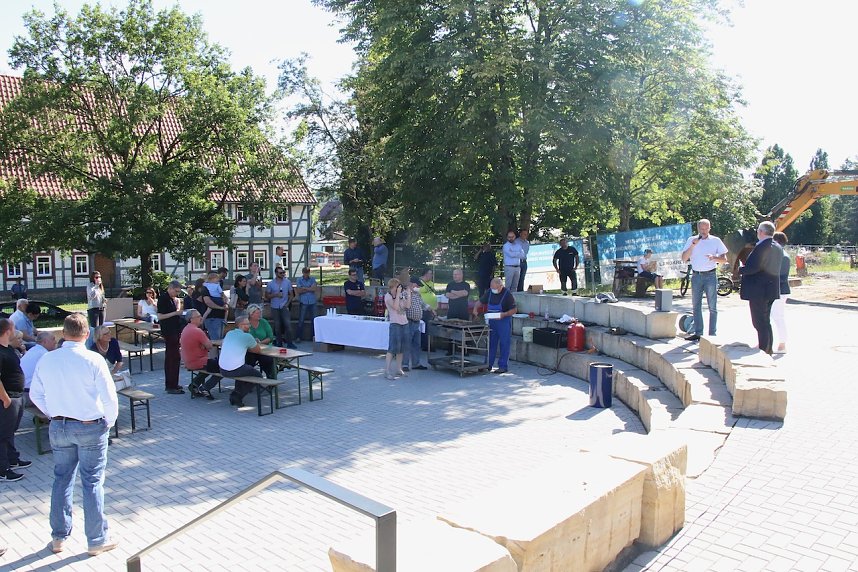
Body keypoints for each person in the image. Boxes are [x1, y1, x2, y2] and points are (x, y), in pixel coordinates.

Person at [29, 313, 119, 556]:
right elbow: (109, 397)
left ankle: (58, 537)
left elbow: (36, 394)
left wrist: (53, 413)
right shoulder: (93, 359)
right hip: (90, 425)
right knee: (92, 482)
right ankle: (96, 539)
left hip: (60, 425)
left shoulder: (47, 359)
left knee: (62, 479)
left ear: (63, 333)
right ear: (87, 334)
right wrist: (109, 422)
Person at [680, 219, 728, 341]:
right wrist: (693, 245)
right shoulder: (691, 240)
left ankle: (712, 334)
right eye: (702, 229)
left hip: (710, 275)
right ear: (698, 229)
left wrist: (714, 258)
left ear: (710, 228)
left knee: (712, 306)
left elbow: (724, 259)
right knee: (696, 305)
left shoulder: (715, 240)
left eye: (706, 229)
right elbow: (684, 258)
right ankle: (698, 332)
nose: (704, 231)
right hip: (696, 275)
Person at [740, 222, 783, 355]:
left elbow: (754, 267)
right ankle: (768, 348)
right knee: (765, 321)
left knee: (759, 322)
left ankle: (764, 350)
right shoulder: (777, 246)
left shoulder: (762, 246)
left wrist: (740, 269)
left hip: (759, 290)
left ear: (761, 232)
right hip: (770, 289)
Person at [0, 319, 31, 483]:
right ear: (8, 331)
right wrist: (5, 399)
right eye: (13, 329)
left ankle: (12, 459)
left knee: (11, 432)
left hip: (17, 396)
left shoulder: (8, 349)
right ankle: (3, 470)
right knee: (3, 435)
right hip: (8, 398)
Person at [472, 277, 517, 374]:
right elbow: (480, 301)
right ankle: (487, 364)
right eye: (491, 287)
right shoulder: (489, 292)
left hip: (503, 321)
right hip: (492, 322)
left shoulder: (507, 294)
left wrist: (504, 314)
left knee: (504, 343)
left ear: (500, 286)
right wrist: (475, 309)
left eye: (494, 288)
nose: (493, 290)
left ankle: (503, 366)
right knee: (491, 343)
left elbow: (514, 310)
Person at [219, 316, 264, 407]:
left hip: (222, 368)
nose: (249, 326)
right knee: (258, 376)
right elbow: (257, 350)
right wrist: (252, 343)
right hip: (234, 369)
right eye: (248, 324)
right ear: (241, 325)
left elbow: (223, 344)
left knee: (244, 370)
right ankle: (237, 396)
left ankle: (237, 392)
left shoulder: (229, 333)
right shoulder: (247, 336)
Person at [181, 309, 220, 399]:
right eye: (198, 316)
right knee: (224, 367)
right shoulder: (197, 331)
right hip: (198, 361)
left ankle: (194, 384)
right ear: (191, 319)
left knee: (212, 365)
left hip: (189, 361)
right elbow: (209, 346)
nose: (201, 318)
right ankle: (206, 388)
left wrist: (203, 345)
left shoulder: (186, 329)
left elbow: (205, 345)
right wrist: (205, 345)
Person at [157, 280, 185, 394]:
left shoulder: (172, 299)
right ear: (171, 288)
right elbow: (160, 316)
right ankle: (170, 385)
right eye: (176, 291)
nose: (177, 294)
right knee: (171, 358)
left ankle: (174, 383)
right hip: (169, 331)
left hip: (175, 330)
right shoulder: (163, 299)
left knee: (176, 358)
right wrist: (176, 313)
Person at [383, 278, 410, 380]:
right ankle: (387, 370)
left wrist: (408, 294)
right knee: (393, 348)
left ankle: (399, 369)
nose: (399, 288)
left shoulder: (401, 295)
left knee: (401, 348)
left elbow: (407, 306)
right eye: (397, 286)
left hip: (404, 323)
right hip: (395, 324)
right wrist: (398, 294)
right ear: (393, 287)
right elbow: (395, 307)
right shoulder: (388, 296)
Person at [404, 277, 431, 371]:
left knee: (416, 344)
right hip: (408, 322)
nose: (419, 287)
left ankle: (416, 363)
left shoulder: (417, 294)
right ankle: (404, 364)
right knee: (407, 344)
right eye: (417, 285)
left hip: (417, 322)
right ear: (412, 284)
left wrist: (431, 309)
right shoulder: (405, 294)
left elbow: (423, 304)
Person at [20, 331, 56, 402]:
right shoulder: (44, 354)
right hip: (29, 394)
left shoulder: (33, 350)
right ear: (45, 342)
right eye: (53, 339)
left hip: (23, 391)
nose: (55, 342)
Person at [267, 266, 296, 349]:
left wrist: (287, 304)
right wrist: (275, 295)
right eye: (281, 273)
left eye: (283, 272)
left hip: (284, 306)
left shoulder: (287, 282)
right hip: (275, 306)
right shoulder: (271, 283)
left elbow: (291, 294)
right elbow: (267, 295)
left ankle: (290, 343)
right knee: (277, 325)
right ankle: (279, 343)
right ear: (276, 273)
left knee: (288, 324)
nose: (283, 274)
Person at [771, 231, 791, 353]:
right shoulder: (779, 255)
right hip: (776, 290)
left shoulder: (783, 257)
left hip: (780, 291)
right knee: (772, 317)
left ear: (777, 242)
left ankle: (782, 344)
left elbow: (781, 277)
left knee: (778, 317)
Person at [245, 304, 277, 379]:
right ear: (251, 314)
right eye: (257, 313)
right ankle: (247, 379)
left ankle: (271, 378)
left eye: (260, 313)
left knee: (267, 360)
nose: (259, 315)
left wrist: (260, 343)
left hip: (264, 349)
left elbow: (270, 337)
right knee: (248, 360)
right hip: (249, 349)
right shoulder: (245, 323)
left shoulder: (263, 322)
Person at [201, 271, 227, 341]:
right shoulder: (205, 288)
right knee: (215, 338)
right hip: (213, 317)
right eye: (217, 278)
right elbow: (208, 302)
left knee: (217, 338)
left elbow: (223, 296)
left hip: (218, 316)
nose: (218, 280)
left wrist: (224, 299)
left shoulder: (208, 285)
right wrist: (221, 307)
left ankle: (202, 320)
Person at [295, 267, 318, 343]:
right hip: (303, 302)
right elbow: (299, 291)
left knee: (314, 320)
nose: (306, 274)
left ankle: (313, 337)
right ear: (303, 272)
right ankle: (298, 336)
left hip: (312, 302)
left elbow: (314, 289)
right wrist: (309, 288)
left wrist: (304, 288)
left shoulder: (313, 279)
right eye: (305, 272)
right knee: (301, 320)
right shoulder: (299, 279)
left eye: (307, 272)